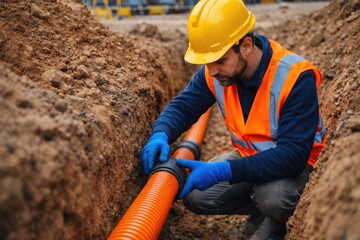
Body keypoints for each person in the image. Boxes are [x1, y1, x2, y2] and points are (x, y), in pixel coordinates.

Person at [140, 0, 326, 239]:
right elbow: (183, 107)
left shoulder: (294, 77)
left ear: (246, 46)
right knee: (197, 196)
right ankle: (261, 212)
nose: (212, 70)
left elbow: (292, 156)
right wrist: (161, 133)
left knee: (273, 198)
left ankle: (278, 222)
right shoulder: (216, 72)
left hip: (296, 167)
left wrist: (222, 171)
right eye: (207, 62)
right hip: (252, 157)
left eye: (219, 60)